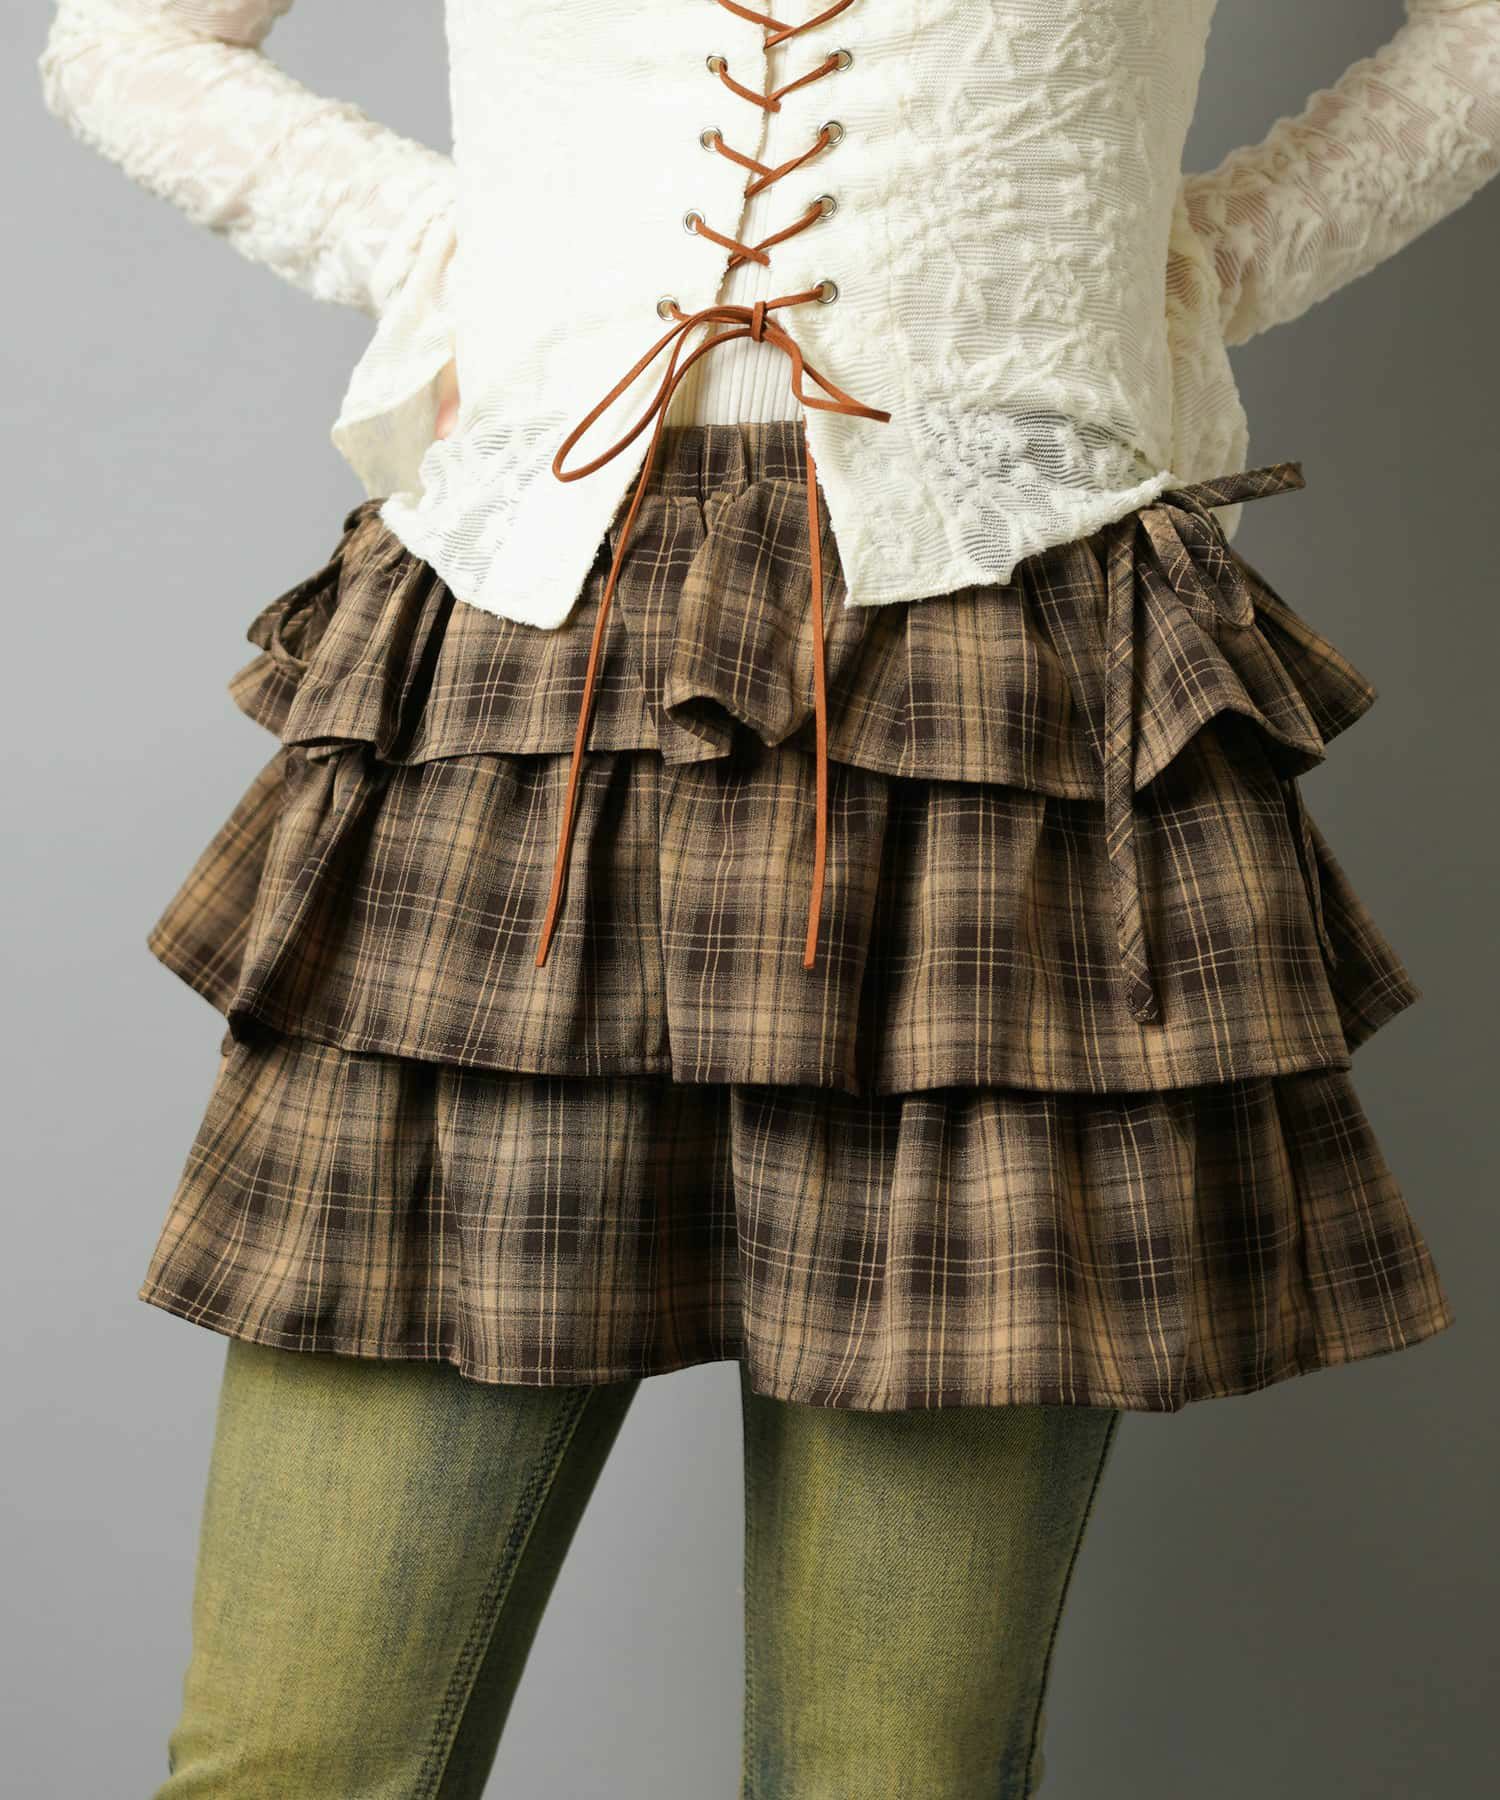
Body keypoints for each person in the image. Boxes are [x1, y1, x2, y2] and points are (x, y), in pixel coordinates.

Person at [38, 3, 1497, 1795]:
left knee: (894, 1770)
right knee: (302, 1759)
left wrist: (1169, 266)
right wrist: (447, 248)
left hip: (1006, 683)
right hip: (529, 675)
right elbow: (128, 36)